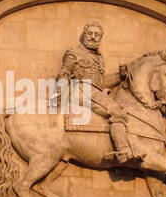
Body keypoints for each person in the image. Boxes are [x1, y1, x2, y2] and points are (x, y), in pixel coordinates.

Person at [59, 22, 142, 165]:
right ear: (84, 35)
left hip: (93, 91)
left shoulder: (99, 58)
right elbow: (64, 73)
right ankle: (122, 151)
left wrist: (119, 76)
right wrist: (59, 95)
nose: (92, 37)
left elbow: (100, 82)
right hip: (80, 89)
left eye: (96, 35)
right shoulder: (74, 53)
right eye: (89, 33)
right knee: (117, 111)